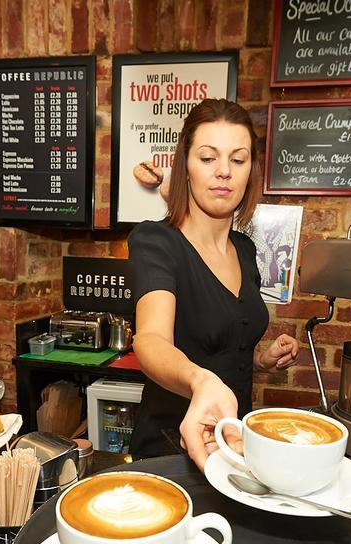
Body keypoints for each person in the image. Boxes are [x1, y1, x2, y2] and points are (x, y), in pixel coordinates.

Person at [128, 99, 300, 470]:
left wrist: (260, 360)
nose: (224, 171)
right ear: (186, 167)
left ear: (250, 172)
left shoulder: (245, 249)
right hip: (170, 450)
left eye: (237, 160)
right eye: (208, 158)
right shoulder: (157, 243)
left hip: (235, 446)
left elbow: (224, 347)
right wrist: (199, 382)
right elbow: (151, 339)